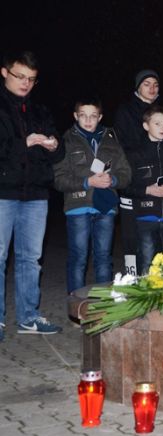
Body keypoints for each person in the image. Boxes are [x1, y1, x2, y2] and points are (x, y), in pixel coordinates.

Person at [0, 51, 64, 340]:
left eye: (32, 79)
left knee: (30, 259)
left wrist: (52, 145)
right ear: (4, 73)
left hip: (36, 194)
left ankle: (28, 316)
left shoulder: (40, 110)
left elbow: (59, 151)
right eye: (20, 77)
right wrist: (23, 143)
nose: (26, 83)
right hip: (3, 192)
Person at [54, 98, 132, 295]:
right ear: (75, 116)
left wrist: (113, 180)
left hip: (106, 207)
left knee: (104, 257)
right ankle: (77, 309)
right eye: (83, 115)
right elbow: (59, 180)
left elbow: (126, 173)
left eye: (93, 116)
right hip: (78, 205)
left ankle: (103, 308)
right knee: (78, 258)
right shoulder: (65, 141)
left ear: (100, 117)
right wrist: (88, 182)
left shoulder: (112, 140)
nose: (88, 120)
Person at [113, 69, 163, 276]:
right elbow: (120, 147)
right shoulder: (125, 111)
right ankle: (133, 281)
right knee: (133, 240)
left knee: (159, 242)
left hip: (159, 185)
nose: (152, 88)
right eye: (147, 83)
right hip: (135, 181)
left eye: (155, 84)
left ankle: (160, 289)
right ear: (138, 87)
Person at [123, 106, 163, 274]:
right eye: (157, 123)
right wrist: (147, 190)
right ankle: (147, 298)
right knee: (147, 262)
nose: (162, 128)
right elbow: (124, 185)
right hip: (146, 215)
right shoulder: (133, 153)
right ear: (146, 126)